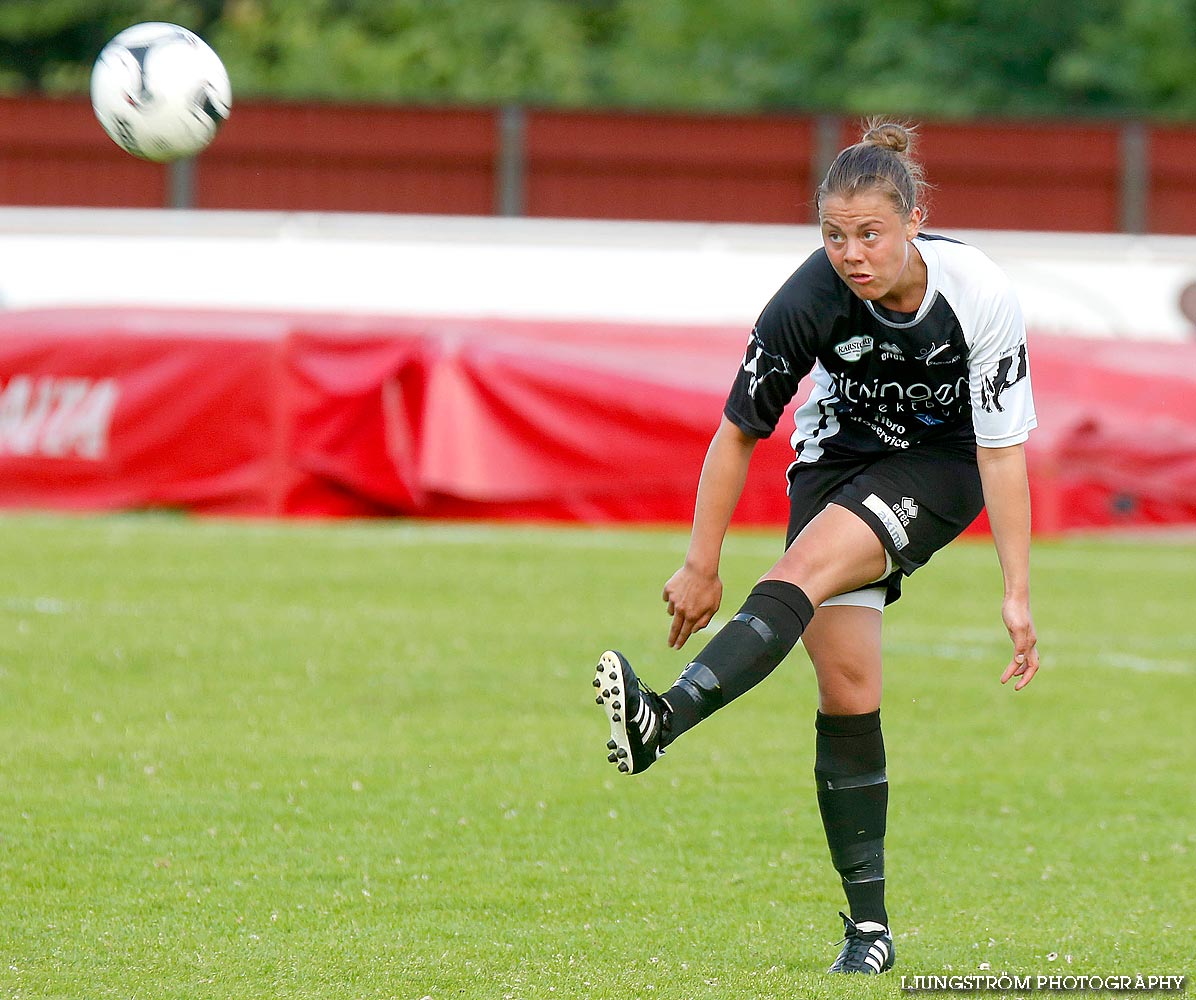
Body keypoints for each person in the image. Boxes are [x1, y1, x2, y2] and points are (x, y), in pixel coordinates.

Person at [592, 120, 1040, 976]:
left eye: (869, 233)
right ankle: (869, 930)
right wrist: (700, 561)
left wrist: (1015, 590)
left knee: (799, 570)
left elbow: (1002, 450)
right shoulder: (806, 301)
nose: (851, 253)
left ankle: (663, 719)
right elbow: (736, 434)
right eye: (833, 234)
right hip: (834, 464)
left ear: (913, 222)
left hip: (940, 470)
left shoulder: (977, 290)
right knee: (848, 691)